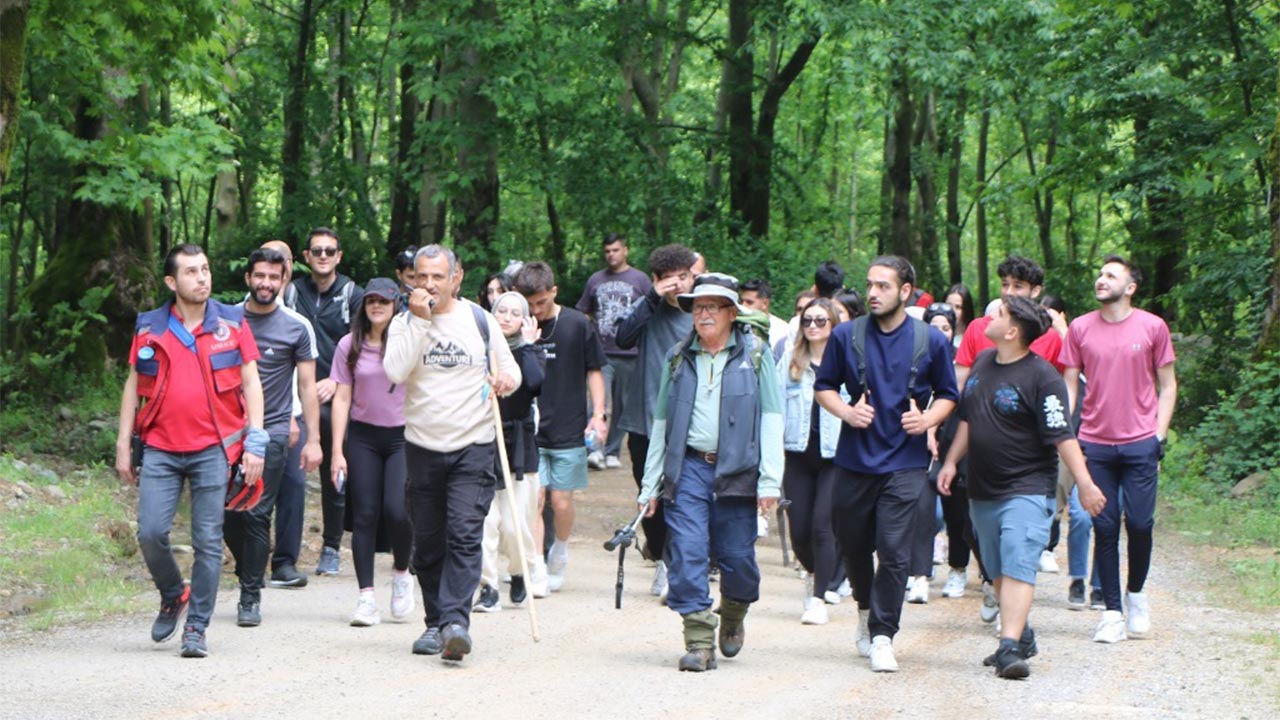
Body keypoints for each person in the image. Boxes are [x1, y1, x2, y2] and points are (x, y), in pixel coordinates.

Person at [937, 295, 1107, 678]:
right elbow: (967, 419)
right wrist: (950, 461)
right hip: (981, 487)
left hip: (1027, 487)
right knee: (996, 568)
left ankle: (1008, 647)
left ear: (1012, 331)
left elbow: (1063, 435)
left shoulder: (1043, 377)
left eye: (998, 314)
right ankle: (1022, 632)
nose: (988, 317)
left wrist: (1085, 483)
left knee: (1017, 559)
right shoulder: (982, 363)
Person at [114, 244, 267, 658]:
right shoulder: (149, 327)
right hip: (161, 448)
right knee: (150, 533)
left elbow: (251, 382)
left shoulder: (232, 322)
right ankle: (172, 594)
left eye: (205, 270)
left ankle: (197, 628)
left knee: (208, 541)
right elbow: (133, 385)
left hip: (213, 449)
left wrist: (256, 442)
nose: (202, 278)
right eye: (191, 272)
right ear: (171, 282)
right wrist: (123, 444)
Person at [814, 255, 958, 673]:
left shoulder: (930, 340)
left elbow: (949, 394)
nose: (873, 293)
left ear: (906, 291)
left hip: (906, 463)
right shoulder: (846, 335)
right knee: (856, 546)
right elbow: (824, 386)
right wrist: (846, 412)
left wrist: (928, 419)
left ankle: (882, 635)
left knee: (894, 552)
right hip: (855, 461)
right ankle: (864, 609)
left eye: (883, 286)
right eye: (870, 285)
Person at [636, 273, 783, 671]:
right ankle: (699, 639)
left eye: (712, 307)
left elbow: (772, 417)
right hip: (688, 470)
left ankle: (733, 614)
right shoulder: (678, 357)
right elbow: (662, 425)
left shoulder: (755, 354)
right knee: (686, 553)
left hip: (739, 471)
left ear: (731, 313)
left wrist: (770, 479)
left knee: (737, 559)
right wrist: (650, 484)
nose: (702, 314)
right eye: (697, 307)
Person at [384, 244, 519, 662]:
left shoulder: (479, 320)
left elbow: (510, 369)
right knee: (427, 542)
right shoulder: (403, 323)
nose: (428, 285)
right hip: (423, 446)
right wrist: (421, 323)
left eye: (437, 277)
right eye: (420, 277)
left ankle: (455, 623)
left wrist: (504, 380)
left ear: (455, 278)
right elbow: (394, 371)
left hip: (473, 446)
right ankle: (434, 622)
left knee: (464, 534)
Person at [1061, 254, 1177, 644]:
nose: (1100, 279)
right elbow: (1070, 384)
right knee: (1105, 527)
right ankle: (1111, 612)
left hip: (1140, 442)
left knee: (1140, 524)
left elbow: (1168, 385)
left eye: (1110, 275)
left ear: (1130, 287)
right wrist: (1063, 428)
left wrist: (1158, 437)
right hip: (1095, 442)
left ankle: (1136, 595)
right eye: (1098, 274)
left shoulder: (1152, 326)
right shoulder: (1079, 328)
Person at [952, 255, 1063, 623]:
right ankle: (992, 581)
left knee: (1018, 536)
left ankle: (1014, 631)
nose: (1009, 293)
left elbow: (1066, 390)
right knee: (974, 526)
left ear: (1035, 292)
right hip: (980, 440)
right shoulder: (981, 331)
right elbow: (962, 387)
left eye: (1018, 287)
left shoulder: (1048, 338)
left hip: (1030, 457)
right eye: (1005, 286)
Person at [226, 248, 323, 628]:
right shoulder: (226, 320)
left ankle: (250, 596)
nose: (266, 283)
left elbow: (308, 386)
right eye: (259, 276)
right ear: (248, 277)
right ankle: (250, 567)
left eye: (274, 277)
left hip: (275, 432)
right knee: (222, 512)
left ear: (284, 281)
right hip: (225, 432)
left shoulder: (297, 326)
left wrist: (313, 438)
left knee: (255, 512)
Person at [514, 261, 609, 592]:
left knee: (562, 501)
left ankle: (560, 551)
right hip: (531, 427)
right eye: (530, 304)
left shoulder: (576, 324)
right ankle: (537, 567)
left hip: (569, 425)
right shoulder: (517, 326)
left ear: (553, 292)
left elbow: (594, 370)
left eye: (541, 302)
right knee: (535, 498)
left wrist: (599, 414)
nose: (536, 310)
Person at [329, 278, 415, 627]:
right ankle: (366, 597)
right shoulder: (350, 345)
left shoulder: (408, 343)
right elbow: (342, 398)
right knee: (364, 515)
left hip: (403, 437)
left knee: (397, 510)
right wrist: (337, 449)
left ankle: (401, 572)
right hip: (363, 436)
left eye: (384, 300)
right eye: (371, 301)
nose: (377, 306)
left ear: (396, 305)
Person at [615, 243, 698, 600]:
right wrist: (653, 297)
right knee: (648, 496)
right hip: (644, 420)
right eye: (668, 279)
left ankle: (675, 562)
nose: (677, 285)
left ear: (693, 275)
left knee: (685, 495)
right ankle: (660, 551)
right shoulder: (648, 308)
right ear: (655, 280)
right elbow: (622, 336)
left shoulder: (704, 311)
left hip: (690, 423)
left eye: (683, 277)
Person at [289, 227, 365, 575]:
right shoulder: (292, 292)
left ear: (339, 256)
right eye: (316, 250)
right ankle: (283, 552)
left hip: (339, 395)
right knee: (291, 473)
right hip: (297, 395)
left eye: (329, 251)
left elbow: (366, 344)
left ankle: (332, 546)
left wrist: (337, 380)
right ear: (305, 257)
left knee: (335, 469)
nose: (322, 256)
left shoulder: (352, 294)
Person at [477, 291, 551, 611]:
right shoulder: (480, 350)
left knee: (514, 524)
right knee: (486, 522)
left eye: (514, 313)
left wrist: (532, 346)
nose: (506, 317)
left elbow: (535, 383)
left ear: (523, 320)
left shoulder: (529, 352)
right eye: (501, 311)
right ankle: (488, 586)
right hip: (483, 440)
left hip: (519, 444)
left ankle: (519, 571)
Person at [777, 298, 846, 625]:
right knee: (800, 529)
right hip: (797, 454)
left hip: (836, 457)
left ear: (833, 324)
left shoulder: (848, 363)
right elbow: (773, 408)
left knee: (823, 526)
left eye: (821, 320)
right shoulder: (790, 363)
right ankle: (812, 572)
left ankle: (819, 597)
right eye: (808, 320)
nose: (813, 326)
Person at [258, 239, 316, 590]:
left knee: (293, 487)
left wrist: (297, 416)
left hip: (289, 416)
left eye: (284, 260)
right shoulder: (237, 315)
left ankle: (284, 562)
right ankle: (251, 560)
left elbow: (303, 378)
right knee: (250, 489)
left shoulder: (297, 322)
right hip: (244, 421)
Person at [576, 233, 652, 470]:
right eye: (607, 251)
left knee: (623, 405)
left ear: (625, 250)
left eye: (615, 250)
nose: (611, 255)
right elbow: (583, 310)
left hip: (632, 352)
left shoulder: (640, 279)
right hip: (602, 353)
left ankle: (612, 451)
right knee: (600, 402)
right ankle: (594, 448)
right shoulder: (595, 279)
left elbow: (651, 310)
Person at [740, 278, 791, 349]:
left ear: (765, 303)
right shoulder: (737, 327)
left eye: (749, 302)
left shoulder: (783, 331)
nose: (743, 306)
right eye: (741, 301)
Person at [944, 284, 975, 348]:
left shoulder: (973, 338)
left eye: (958, 307)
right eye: (948, 305)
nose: (952, 311)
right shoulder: (936, 336)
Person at [394, 246, 418, 312]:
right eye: (411, 277)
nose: (416, 283)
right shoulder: (388, 300)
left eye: (420, 276)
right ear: (399, 274)